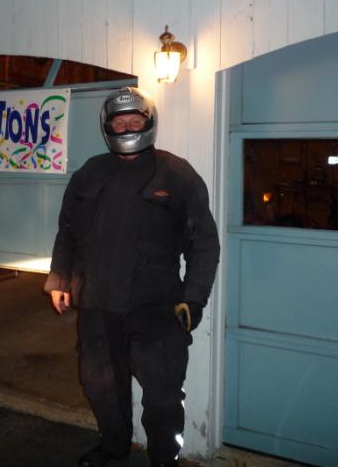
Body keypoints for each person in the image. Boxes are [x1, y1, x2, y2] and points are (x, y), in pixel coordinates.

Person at [44, 87, 220, 467]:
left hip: (156, 309)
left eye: (134, 120)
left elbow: (204, 243)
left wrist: (194, 298)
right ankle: (114, 447)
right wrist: (59, 279)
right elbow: (68, 231)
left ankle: (164, 459)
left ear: (149, 122)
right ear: (107, 127)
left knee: (162, 395)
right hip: (96, 304)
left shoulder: (177, 173)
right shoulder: (90, 172)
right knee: (100, 386)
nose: (126, 127)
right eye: (119, 122)